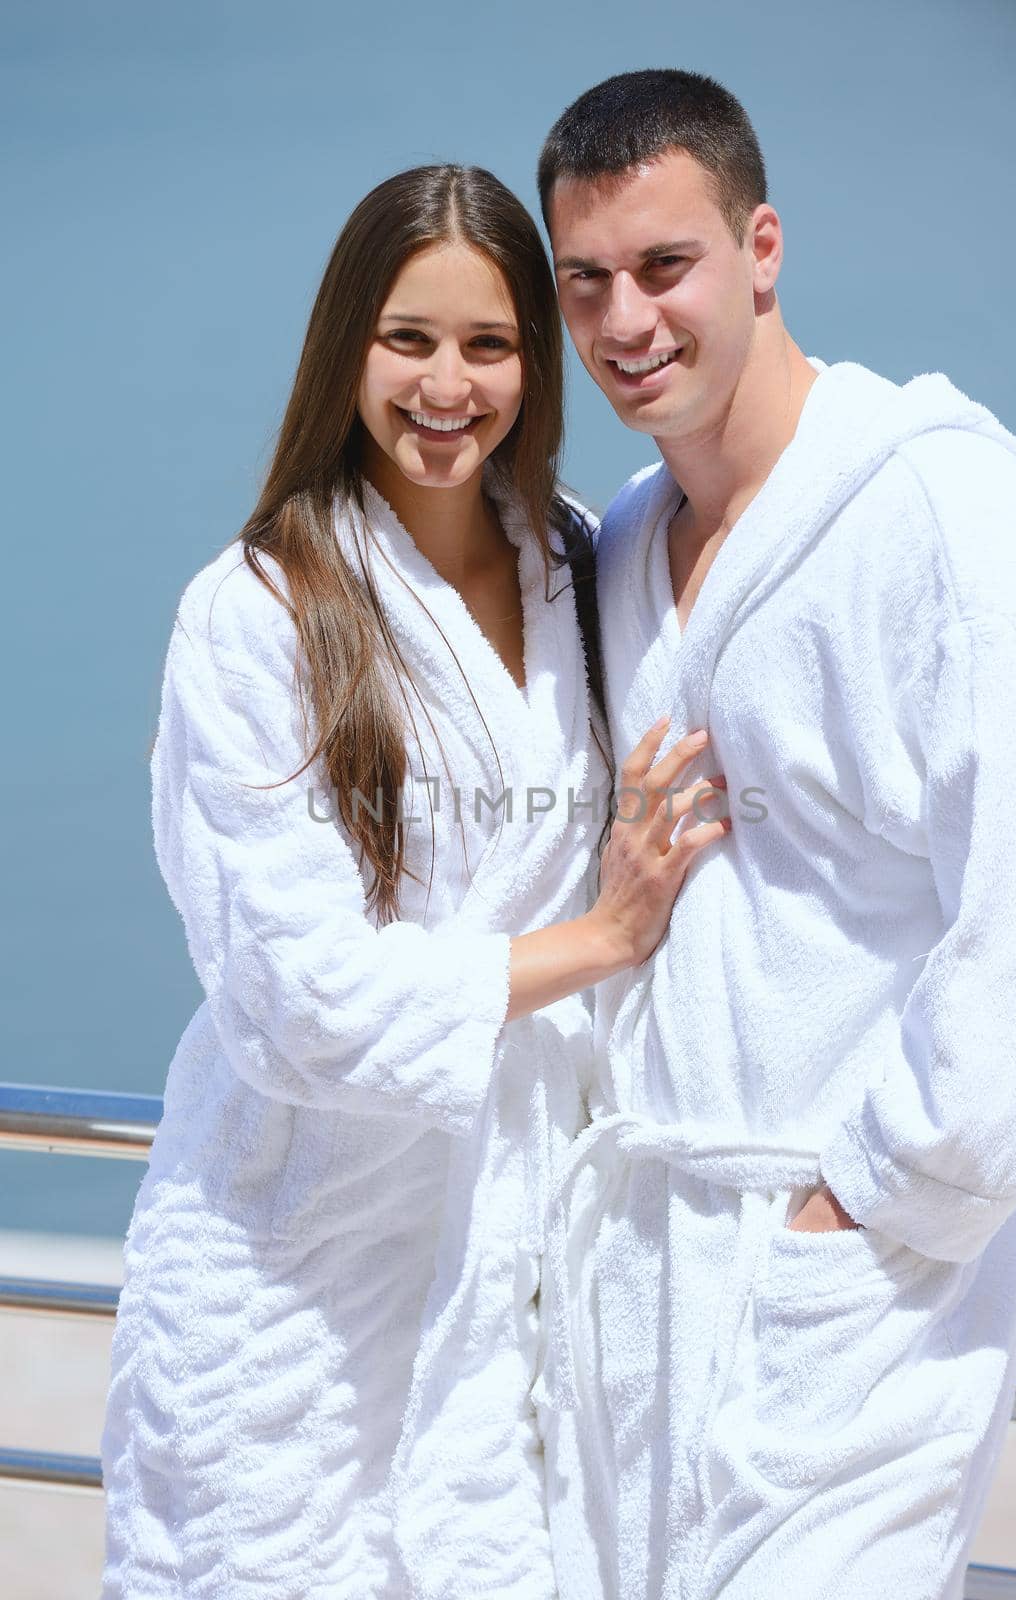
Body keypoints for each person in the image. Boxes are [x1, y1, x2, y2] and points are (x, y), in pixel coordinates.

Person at [98, 162, 731, 1600]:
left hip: (499, 1275)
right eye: (410, 339)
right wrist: (601, 937)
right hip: (286, 1279)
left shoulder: (581, 563)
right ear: (346, 348)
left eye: (490, 345)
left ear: (536, 361)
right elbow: (293, 995)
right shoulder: (257, 615)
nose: (448, 385)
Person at [532, 68, 1016, 1600]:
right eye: (587, 284)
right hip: (642, 1283)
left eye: (665, 265)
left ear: (762, 248)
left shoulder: (945, 516)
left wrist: (870, 1198)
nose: (626, 322)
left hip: (863, 1276)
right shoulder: (624, 542)